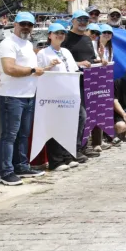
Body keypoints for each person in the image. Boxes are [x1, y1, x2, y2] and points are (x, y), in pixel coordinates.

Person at [0, 11, 48, 185]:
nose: (26, 27)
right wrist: (33, 71)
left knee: (23, 134)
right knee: (9, 136)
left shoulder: (26, 43)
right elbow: (9, 69)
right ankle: (6, 172)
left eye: (30, 24)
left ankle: (22, 166)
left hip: (27, 96)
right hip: (12, 97)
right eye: (23, 23)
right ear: (15, 24)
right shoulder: (7, 43)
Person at [37, 23, 86, 171]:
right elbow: (39, 73)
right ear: (49, 35)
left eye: (62, 33)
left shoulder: (66, 52)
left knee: (72, 124)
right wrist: (49, 67)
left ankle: (67, 156)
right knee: (56, 126)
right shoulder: (43, 53)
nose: (60, 35)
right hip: (53, 95)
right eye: (56, 33)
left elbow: (74, 70)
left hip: (70, 94)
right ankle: (56, 161)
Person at [62, 10, 106, 154]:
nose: (82, 22)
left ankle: (82, 146)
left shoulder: (87, 39)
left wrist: (100, 61)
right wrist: (79, 63)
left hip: (88, 82)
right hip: (72, 83)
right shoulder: (66, 38)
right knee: (80, 116)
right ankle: (74, 149)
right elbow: (61, 59)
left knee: (87, 115)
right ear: (73, 21)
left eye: (85, 20)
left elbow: (91, 59)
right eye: (80, 19)